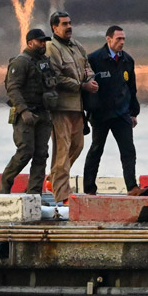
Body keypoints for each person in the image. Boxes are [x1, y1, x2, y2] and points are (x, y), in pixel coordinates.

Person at [83, 25, 148, 196]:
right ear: (108, 39)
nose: (122, 42)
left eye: (123, 39)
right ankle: (89, 188)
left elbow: (131, 88)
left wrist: (134, 112)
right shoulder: (94, 59)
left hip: (121, 114)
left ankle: (132, 187)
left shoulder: (127, 60)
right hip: (101, 114)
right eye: (118, 39)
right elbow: (86, 87)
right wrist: (87, 111)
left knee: (128, 150)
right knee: (96, 149)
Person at [45, 11, 98, 205]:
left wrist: (90, 79)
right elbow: (56, 76)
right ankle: (62, 195)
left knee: (78, 145)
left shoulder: (76, 46)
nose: (69, 27)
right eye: (64, 24)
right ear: (54, 27)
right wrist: (81, 85)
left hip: (78, 106)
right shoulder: (51, 48)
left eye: (70, 23)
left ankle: (52, 178)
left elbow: (87, 67)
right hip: (61, 106)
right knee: (62, 148)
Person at [0, 29, 58, 195]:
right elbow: (13, 88)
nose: (43, 44)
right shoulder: (21, 62)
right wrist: (24, 111)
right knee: (25, 151)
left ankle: (34, 193)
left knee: (41, 154)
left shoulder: (44, 62)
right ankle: (6, 182)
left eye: (44, 41)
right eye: (40, 41)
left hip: (43, 113)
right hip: (26, 114)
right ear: (30, 43)